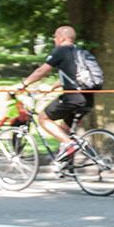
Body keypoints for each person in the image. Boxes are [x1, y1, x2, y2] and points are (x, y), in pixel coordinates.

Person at [15, 25, 92, 161]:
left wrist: (23, 84)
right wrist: (53, 87)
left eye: (55, 37)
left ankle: (69, 144)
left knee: (43, 118)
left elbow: (41, 71)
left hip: (72, 98)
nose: (54, 40)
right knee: (64, 129)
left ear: (62, 38)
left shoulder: (61, 51)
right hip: (88, 98)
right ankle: (68, 166)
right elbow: (75, 77)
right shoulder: (81, 53)